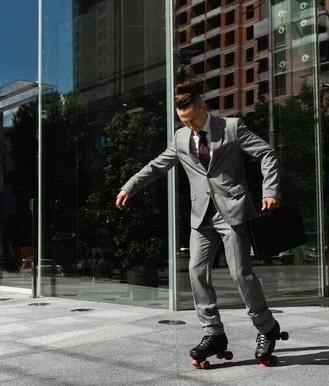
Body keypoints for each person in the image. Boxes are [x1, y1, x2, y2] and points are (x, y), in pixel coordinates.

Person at [115, 81, 285, 365]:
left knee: (240, 275)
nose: (190, 125)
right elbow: (158, 164)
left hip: (232, 211)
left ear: (204, 106)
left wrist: (271, 191)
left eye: (193, 118)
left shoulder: (231, 127)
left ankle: (267, 328)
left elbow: (266, 153)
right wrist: (129, 187)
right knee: (195, 271)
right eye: (184, 120)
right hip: (201, 216)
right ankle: (213, 332)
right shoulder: (180, 138)